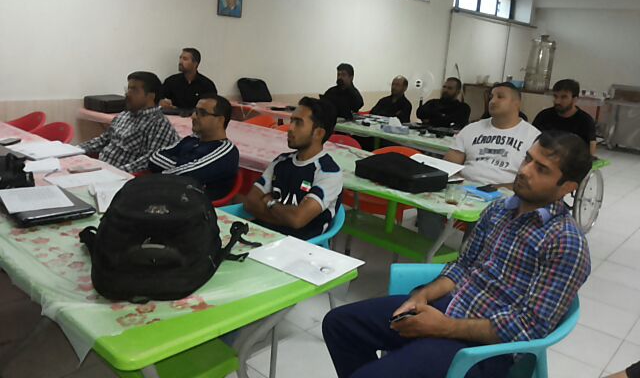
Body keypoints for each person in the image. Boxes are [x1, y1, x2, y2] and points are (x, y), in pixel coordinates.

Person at [323, 131, 592, 378]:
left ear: (568, 187)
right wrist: (422, 296)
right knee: (339, 324)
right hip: (451, 307)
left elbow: (528, 327)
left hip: (486, 349)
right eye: (527, 159)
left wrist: (443, 326)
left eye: (541, 169)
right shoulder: (499, 209)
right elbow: (463, 266)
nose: (524, 171)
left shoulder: (566, 243)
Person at [243, 97, 342, 240]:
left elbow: (297, 220)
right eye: (291, 121)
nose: (290, 128)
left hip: (300, 246)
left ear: (319, 133)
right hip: (264, 236)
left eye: (298, 123)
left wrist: (270, 202)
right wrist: (286, 218)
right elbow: (250, 202)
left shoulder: (328, 173)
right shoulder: (281, 161)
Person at [80, 72, 179, 173]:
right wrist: (76, 150)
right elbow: (103, 140)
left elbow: (149, 161)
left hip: (122, 176)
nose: (127, 94)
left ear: (151, 96)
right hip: (100, 168)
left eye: (134, 90)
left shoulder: (159, 124)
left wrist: (113, 172)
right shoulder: (124, 115)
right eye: (128, 89)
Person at [446, 82, 540, 186]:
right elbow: (449, 165)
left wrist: (497, 188)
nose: (492, 101)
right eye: (491, 97)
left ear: (517, 103)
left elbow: (534, 181)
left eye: (500, 97)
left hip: (507, 192)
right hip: (464, 188)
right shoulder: (471, 129)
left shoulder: (533, 137)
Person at [149, 93, 239, 201]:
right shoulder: (193, 139)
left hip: (195, 207)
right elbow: (154, 157)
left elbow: (182, 176)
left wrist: (174, 166)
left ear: (220, 120)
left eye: (202, 113)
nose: (193, 116)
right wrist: (183, 165)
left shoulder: (226, 152)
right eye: (195, 111)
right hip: (170, 197)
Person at [533, 79, 597, 156]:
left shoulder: (585, 121)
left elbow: (591, 149)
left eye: (563, 97)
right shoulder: (544, 116)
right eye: (555, 96)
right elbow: (531, 138)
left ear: (575, 99)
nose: (557, 101)